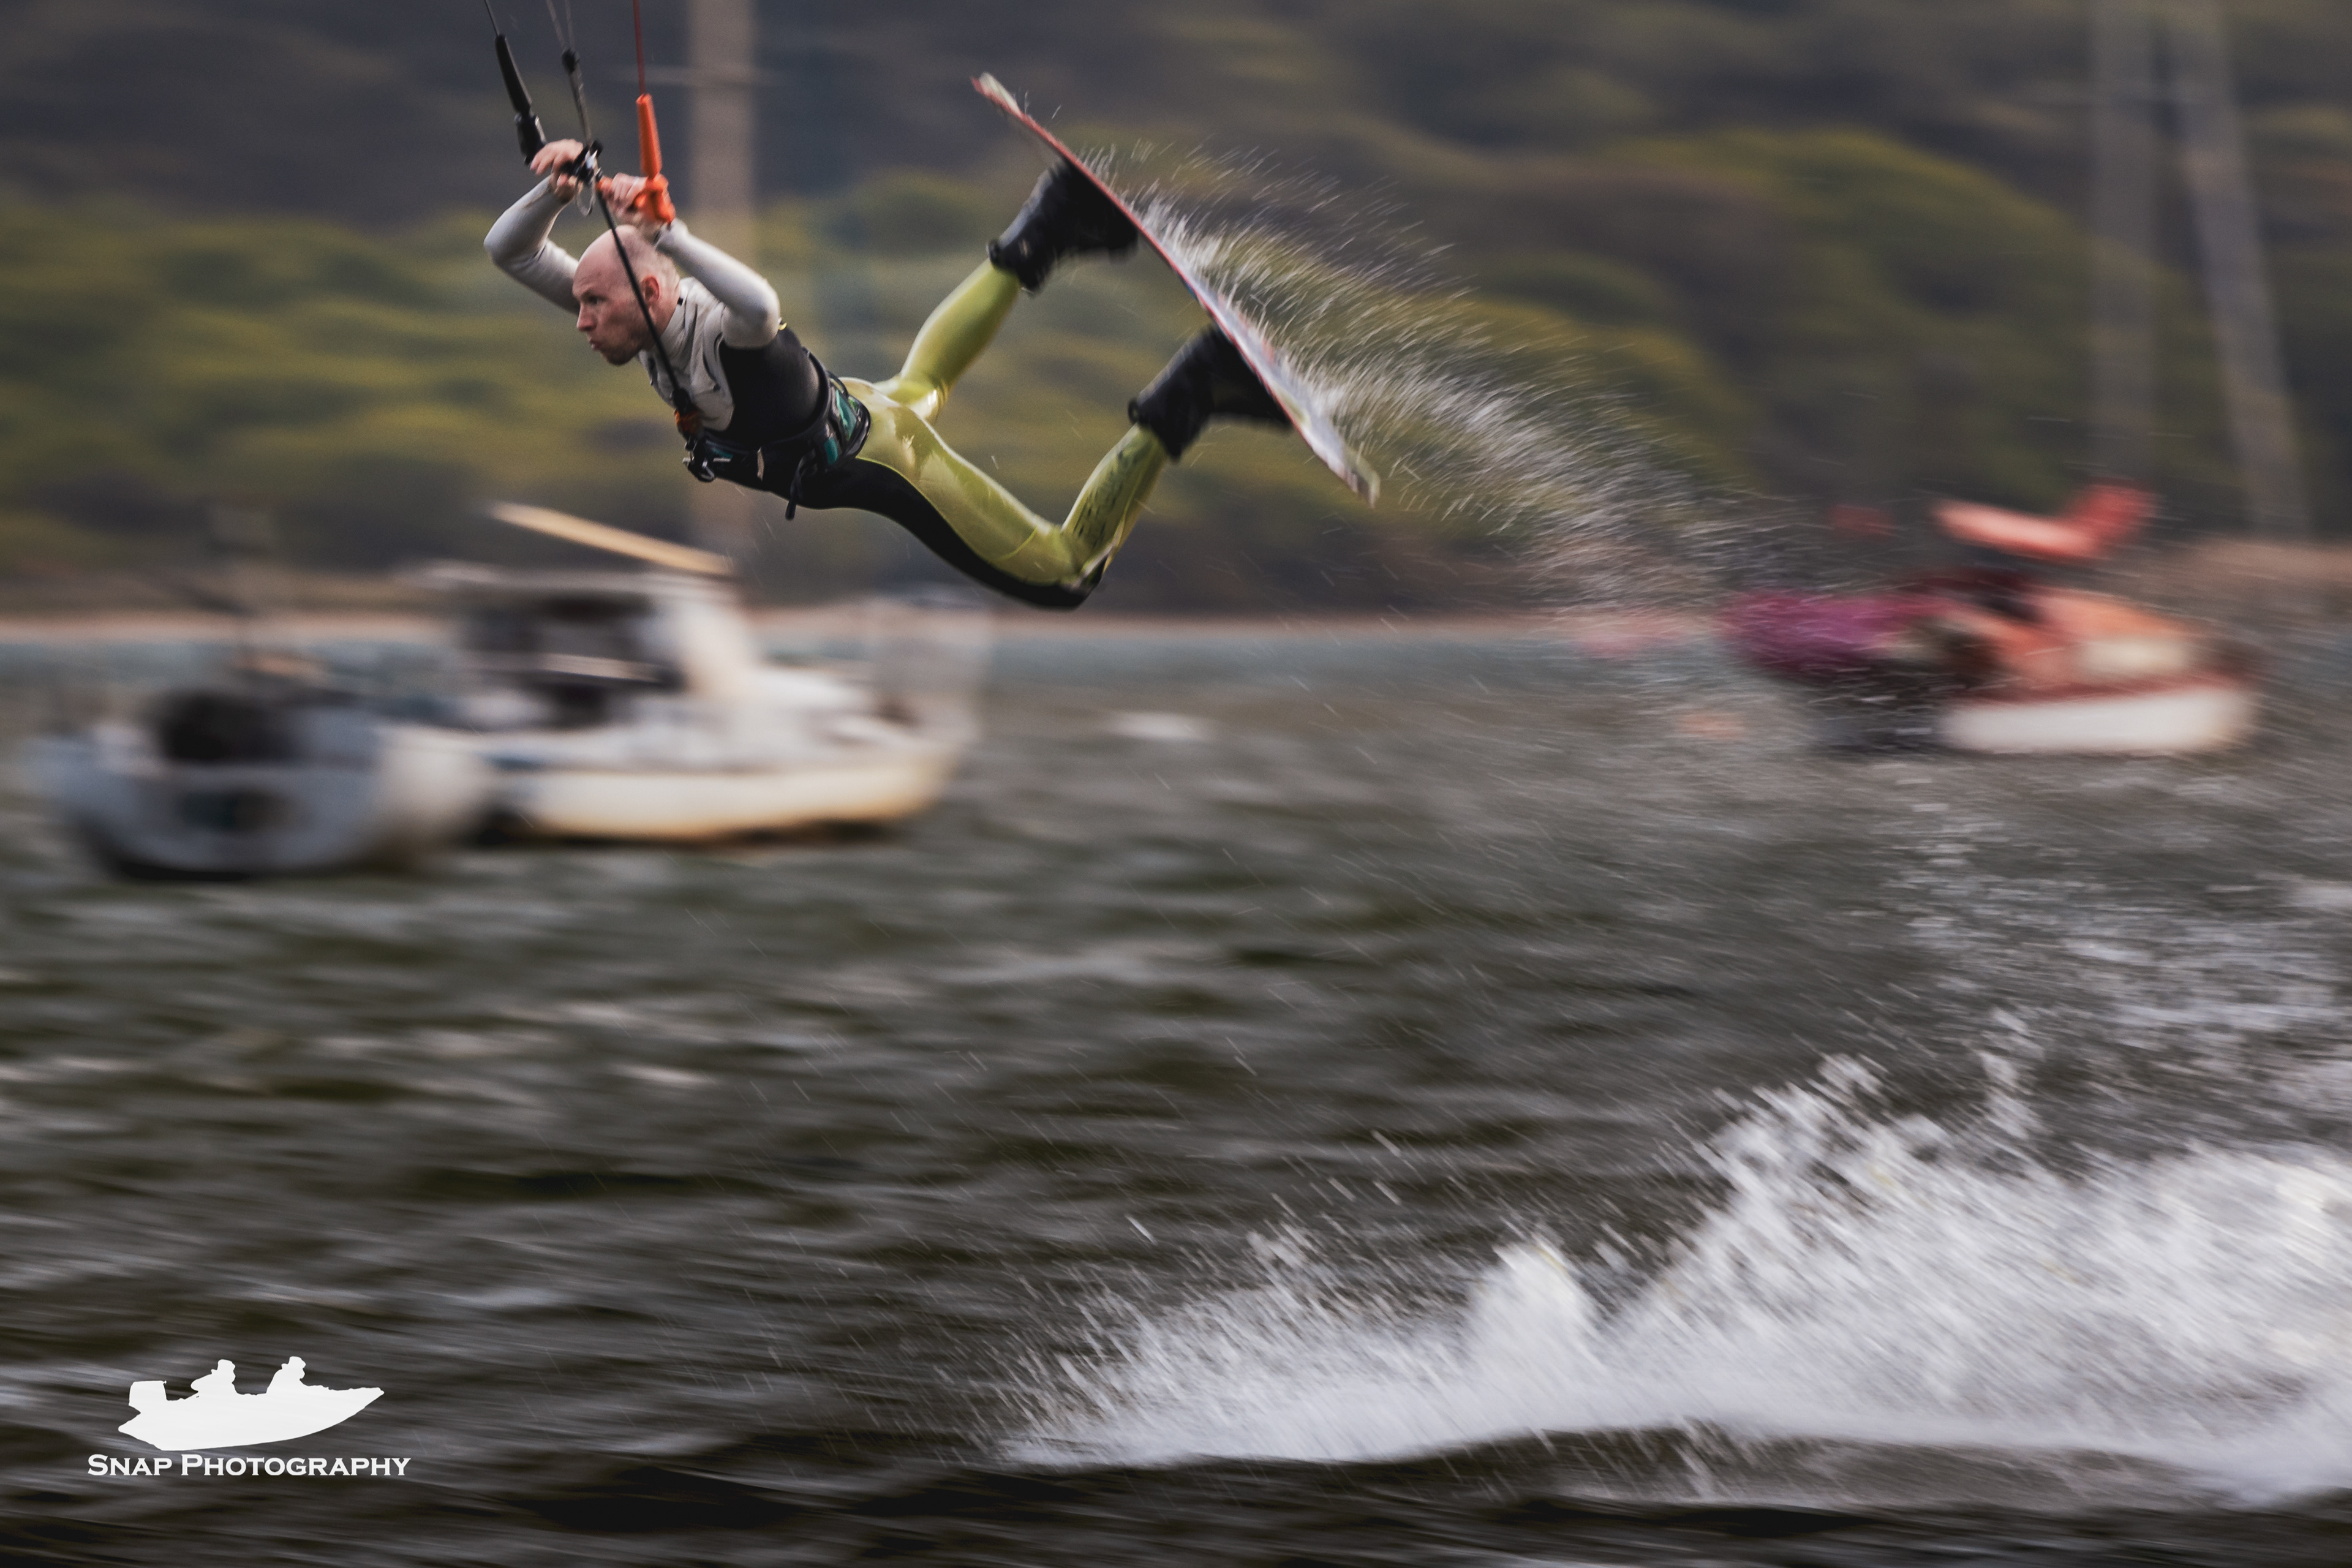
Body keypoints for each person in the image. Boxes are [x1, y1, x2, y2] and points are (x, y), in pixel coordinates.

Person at [485, 144, 1289, 608]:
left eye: (592, 305)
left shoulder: (720, 330)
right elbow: (510, 251)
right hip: (861, 409)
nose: (581, 320)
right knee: (921, 385)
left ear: (652, 291)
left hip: (889, 460)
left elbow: (762, 306)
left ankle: (1193, 389)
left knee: (1067, 573)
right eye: (581, 305)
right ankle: (1049, 226)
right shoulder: (640, 317)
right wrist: (564, 183)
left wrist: (674, 232)